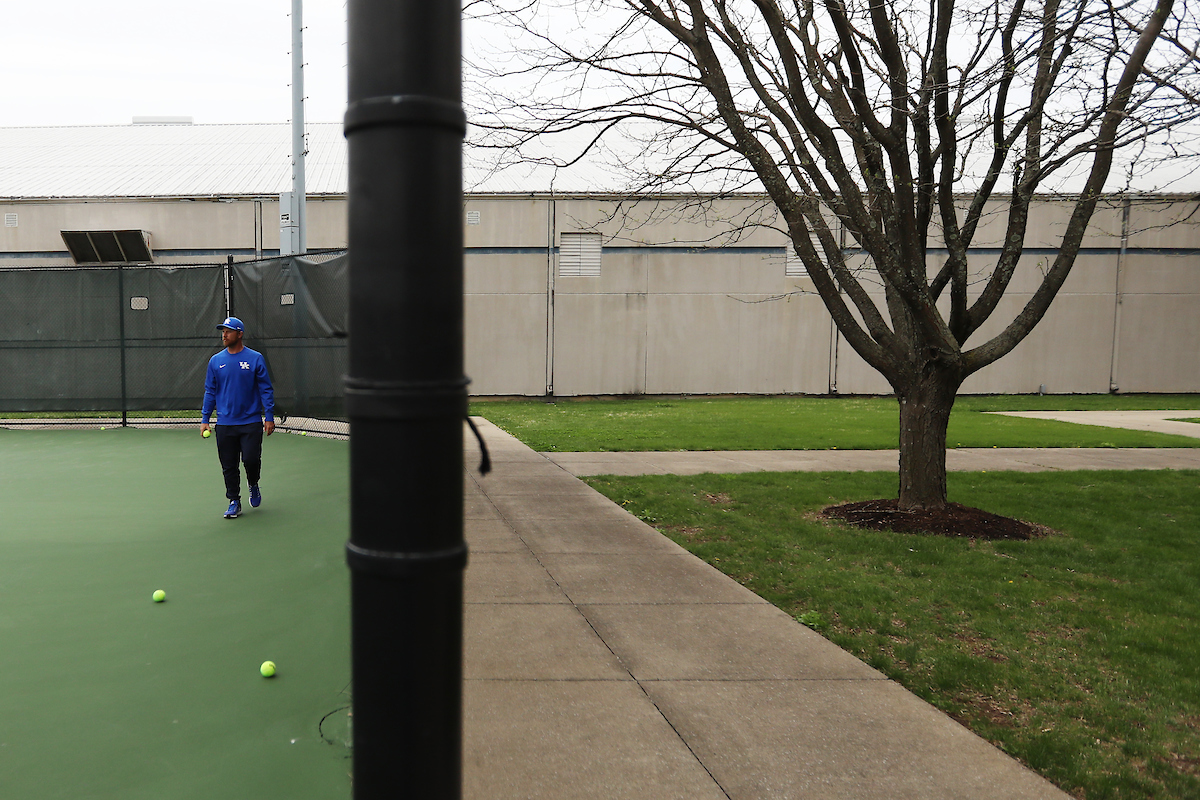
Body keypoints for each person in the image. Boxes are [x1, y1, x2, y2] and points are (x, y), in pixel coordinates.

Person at [201, 316, 276, 519]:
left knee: (251, 460)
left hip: (251, 422)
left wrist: (269, 416)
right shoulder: (215, 361)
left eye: (228, 331)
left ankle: (253, 484)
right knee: (229, 465)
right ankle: (234, 501)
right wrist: (205, 418)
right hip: (225, 424)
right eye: (222, 331)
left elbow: (266, 389)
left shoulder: (255, 358)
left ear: (239, 334)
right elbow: (210, 391)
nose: (224, 335)